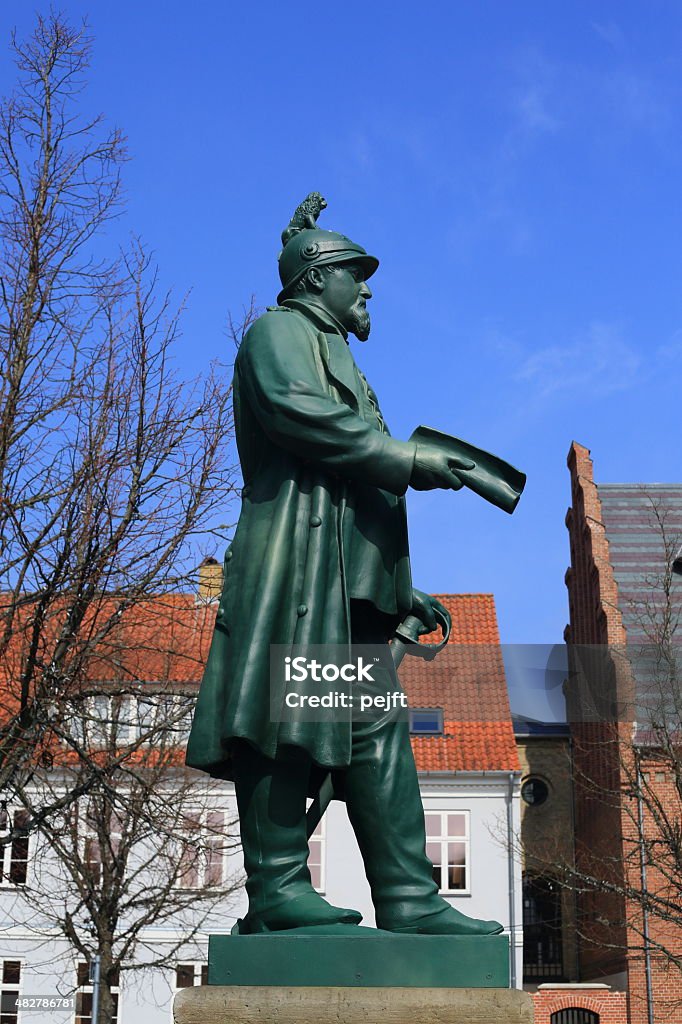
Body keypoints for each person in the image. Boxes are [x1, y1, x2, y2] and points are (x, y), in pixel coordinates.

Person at [186, 196, 502, 936]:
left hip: (341, 582)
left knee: (379, 731)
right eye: (354, 275)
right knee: (283, 718)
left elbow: (353, 488)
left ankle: (410, 898)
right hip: (292, 566)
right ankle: (276, 891)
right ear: (313, 277)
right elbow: (301, 416)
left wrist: (395, 587)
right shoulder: (278, 334)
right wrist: (409, 457)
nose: (366, 290)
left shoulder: (343, 357)